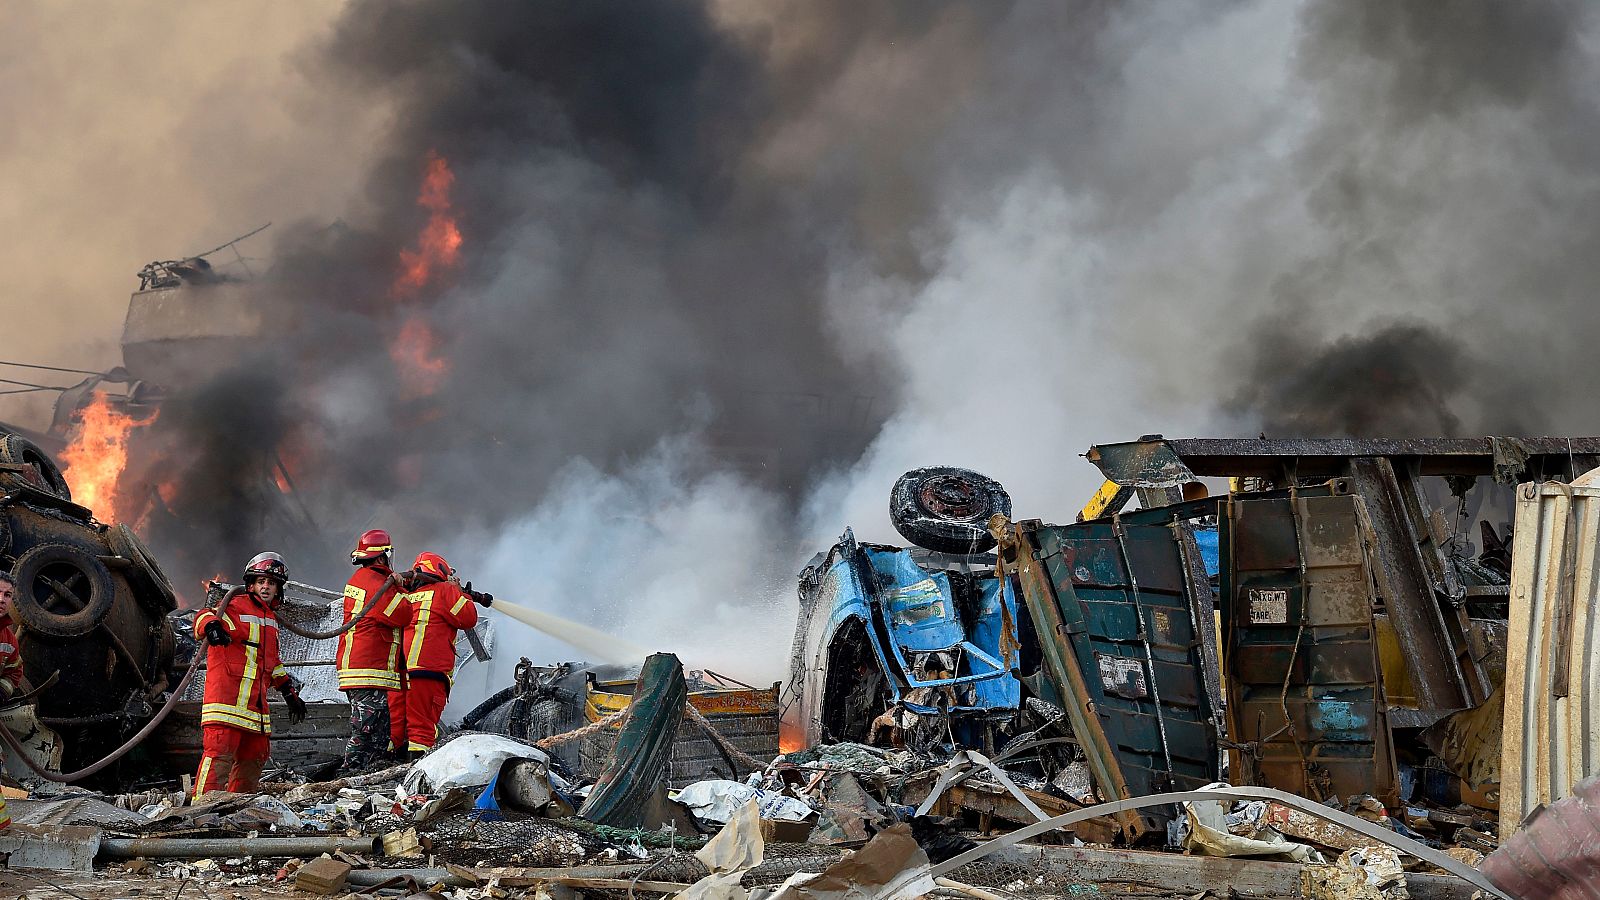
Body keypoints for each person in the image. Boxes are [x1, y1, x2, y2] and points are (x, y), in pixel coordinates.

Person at [190, 552, 308, 796]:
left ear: (278, 589)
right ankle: (201, 816)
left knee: (255, 759)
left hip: (255, 712)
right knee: (218, 758)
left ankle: (239, 812)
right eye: (261, 582)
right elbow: (203, 616)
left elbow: (272, 662)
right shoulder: (234, 607)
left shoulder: (271, 620)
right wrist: (211, 626)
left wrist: (288, 692)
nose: (266, 587)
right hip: (227, 704)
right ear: (251, 584)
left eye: (272, 583)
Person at [380, 552, 489, 758]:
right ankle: (415, 780)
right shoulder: (446, 591)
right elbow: (467, 617)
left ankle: (383, 771)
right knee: (421, 731)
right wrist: (460, 592)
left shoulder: (406, 596)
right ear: (441, 572)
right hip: (427, 673)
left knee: (395, 730)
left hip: (398, 675)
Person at [336, 529, 407, 771]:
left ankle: (369, 773)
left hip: (364, 668)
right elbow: (403, 614)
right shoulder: (377, 584)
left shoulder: (361, 579)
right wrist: (400, 587)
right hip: (367, 669)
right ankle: (348, 773)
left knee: (379, 730)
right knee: (365, 728)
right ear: (383, 556)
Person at [0, 571, 19, 830]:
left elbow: (15, 670)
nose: (2, 599)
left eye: (7, 595)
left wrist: (2, 689)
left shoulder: (8, 638)